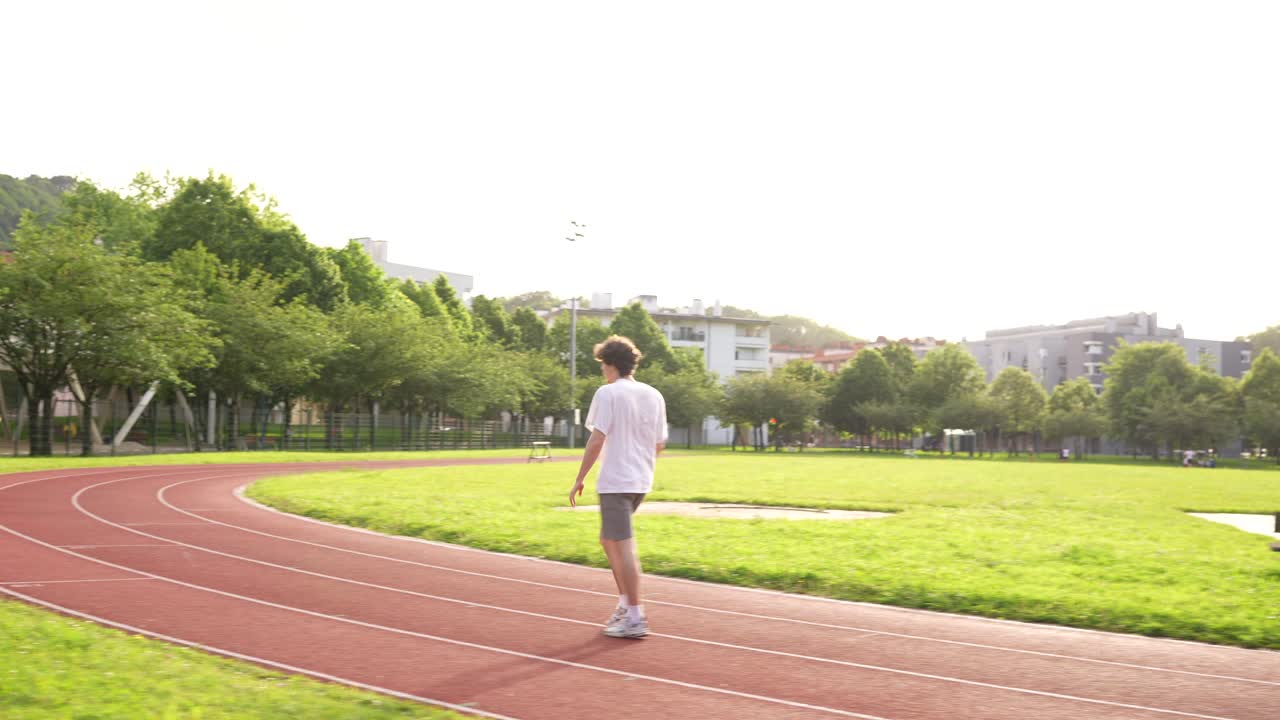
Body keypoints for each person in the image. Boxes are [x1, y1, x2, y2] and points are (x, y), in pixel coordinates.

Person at [569, 335, 667, 639]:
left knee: (623, 545)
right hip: (640, 481)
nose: (602, 371)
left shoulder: (608, 393)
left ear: (610, 365)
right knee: (608, 540)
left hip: (616, 480)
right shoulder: (654, 395)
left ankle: (636, 615)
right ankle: (626, 604)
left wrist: (579, 477)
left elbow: (597, 439)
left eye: (602, 365)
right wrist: (639, 461)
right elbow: (660, 443)